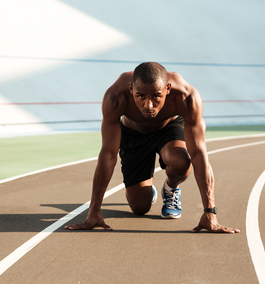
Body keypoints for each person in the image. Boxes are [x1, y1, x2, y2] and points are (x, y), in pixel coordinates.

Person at [65, 62, 240, 233]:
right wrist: (94, 210)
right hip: (133, 133)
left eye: (156, 96)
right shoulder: (116, 97)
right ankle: (147, 189)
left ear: (168, 89)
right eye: (141, 96)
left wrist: (210, 212)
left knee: (182, 161)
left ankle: (171, 187)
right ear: (131, 89)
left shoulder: (187, 97)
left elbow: (199, 154)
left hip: (169, 129)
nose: (148, 105)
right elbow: (109, 154)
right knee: (140, 207)